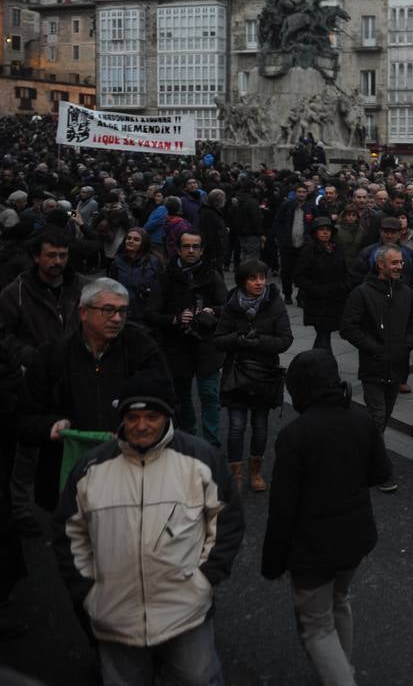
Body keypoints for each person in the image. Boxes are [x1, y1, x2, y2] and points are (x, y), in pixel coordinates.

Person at [53, 371, 244, 686]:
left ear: (168, 417)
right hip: (115, 617)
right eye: (133, 416)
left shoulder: (201, 460)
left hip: (185, 612)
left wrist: (204, 581)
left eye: (152, 416)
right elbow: (69, 533)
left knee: (197, 679)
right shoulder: (90, 468)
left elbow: (226, 521)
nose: (141, 425)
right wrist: (89, 592)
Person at [262, 350, 392, 686]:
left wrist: (273, 562)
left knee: (317, 626)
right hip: (355, 539)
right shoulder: (360, 418)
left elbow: (282, 509)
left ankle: (340, 678)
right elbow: (381, 473)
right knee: (340, 600)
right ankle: (342, 669)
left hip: (312, 550)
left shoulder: (295, 436)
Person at [19, 278, 169, 510]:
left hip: (132, 477)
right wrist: (51, 426)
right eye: (108, 310)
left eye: (122, 311)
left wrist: (138, 428)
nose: (117, 318)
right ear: (83, 312)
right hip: (69, 480)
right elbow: (24, 419)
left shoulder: (142, 349)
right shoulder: (52, 357)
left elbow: (167, 404)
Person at [340, 245, 413, 493]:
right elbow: (348, 327)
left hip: (396, 366)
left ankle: (361, 453)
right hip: (374, 366)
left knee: (383, 418)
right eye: (394, 263)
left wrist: (407, 344)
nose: (399, 267)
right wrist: (373, 347)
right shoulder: (362, 293)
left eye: (401, 263)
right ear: (381, 265)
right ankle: (379, 469)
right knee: (376, 417)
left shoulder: (406, 292)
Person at [215, 259, 294, 493]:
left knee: (260, 426)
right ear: (243, 281)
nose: (259, 283)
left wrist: (259, 342)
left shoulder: (275, 303)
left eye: (262, 278)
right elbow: (218, 340)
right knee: (237, 426)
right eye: (253, 278)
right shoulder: (231, 305)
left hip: (264, 374)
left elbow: (285, 340)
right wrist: (238, 339)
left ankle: (256, 472)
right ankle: (235, 473)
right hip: (237, 373)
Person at [146, 231, 227, 446]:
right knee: (182, 398)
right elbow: (151, 314)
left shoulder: (212, 274)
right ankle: (189, 440)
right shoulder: (165, 277)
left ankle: (211, 444)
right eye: (187, 246)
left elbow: (228, 307)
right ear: (179, 249)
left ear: (201, 250)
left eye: (195, 246)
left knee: (209, 396)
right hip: (176, 346)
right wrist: (175, 319)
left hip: (206, 347)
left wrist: (212, 312)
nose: (191, 250)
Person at [294, 216, 350, 352]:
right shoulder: (309, 250)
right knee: (323, 333)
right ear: (315, 232)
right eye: (321, 230)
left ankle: (318, 364)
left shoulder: (336, 248)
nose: (325, 233)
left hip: (335, 298)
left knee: (324, 334)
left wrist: (345, 285)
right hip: (317, 300)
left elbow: (344, 269)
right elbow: (299, 276)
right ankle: (324, 365)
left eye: (328, 230)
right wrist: (315, 289)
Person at [108, 227, 162, 324]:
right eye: (128, 238)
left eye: (136, 240)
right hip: (123, 311)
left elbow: (159, 289)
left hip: (146, 314)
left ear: (143, 243)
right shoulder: (117, 261)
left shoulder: (153, 262)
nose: (131, 241)